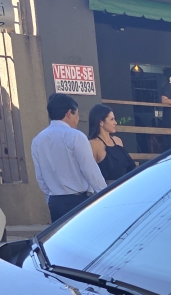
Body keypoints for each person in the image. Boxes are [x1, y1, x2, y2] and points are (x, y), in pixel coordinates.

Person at [31, 93, 107, 222]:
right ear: (69, 113)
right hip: (78, 201)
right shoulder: (75, 136)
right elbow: (90, 170)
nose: (77, 119)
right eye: (77, 114)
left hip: (55, 201)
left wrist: (50, 197)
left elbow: (40, 176)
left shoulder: (38, 140)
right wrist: (105, 194)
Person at [88, 103, 136, 183]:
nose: (115, 123)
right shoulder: (93, 144)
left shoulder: (118, 141)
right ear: (101, 122)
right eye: (111, 119)